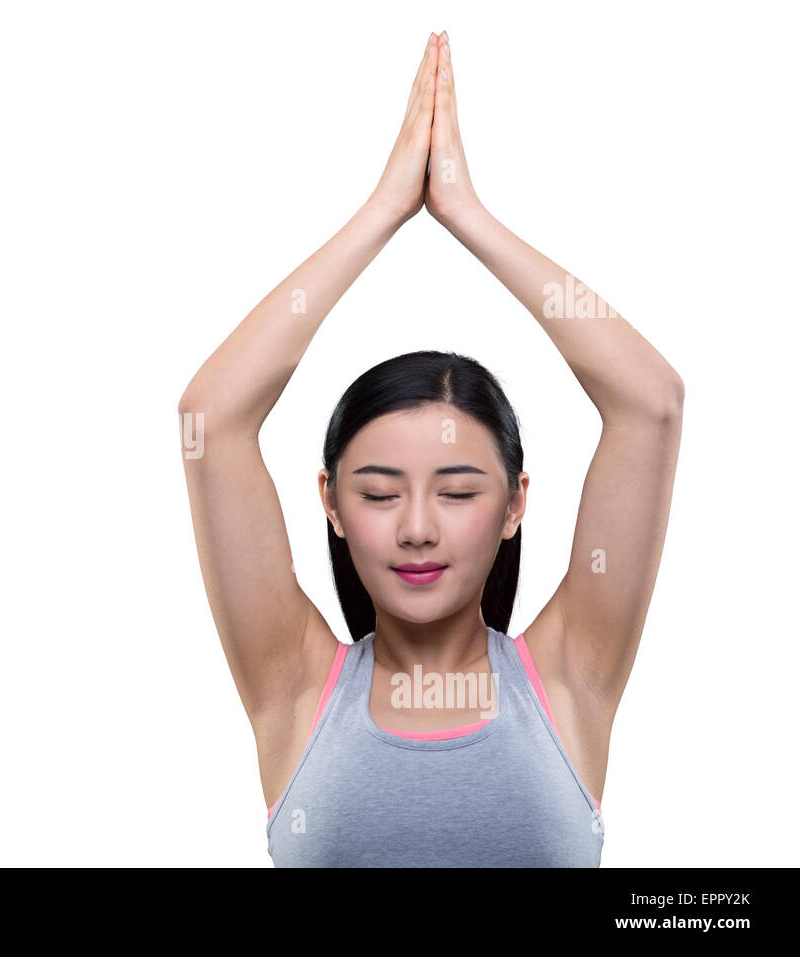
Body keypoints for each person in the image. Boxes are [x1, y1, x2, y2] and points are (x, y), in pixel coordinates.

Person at [176, 31, 684, 866]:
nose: (417, 528)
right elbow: (211, 415)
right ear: (332, 505)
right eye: (378, 493)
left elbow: (651, 403)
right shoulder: (295, 685)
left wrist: (466, 214)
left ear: (516, 503)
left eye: (457, 491)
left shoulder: (568, 676)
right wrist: (384, 209)